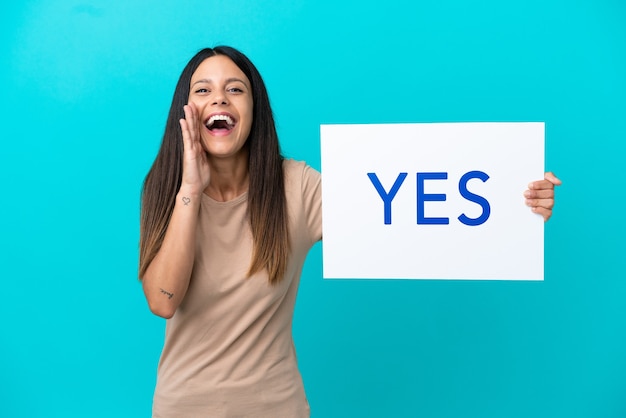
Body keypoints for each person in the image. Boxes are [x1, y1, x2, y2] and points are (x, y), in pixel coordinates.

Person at [138, 46, 561, 417]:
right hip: (184, 407)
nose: (220, 98)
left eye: (235, 88)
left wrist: (516, 203)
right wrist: (190, 190)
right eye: (203, 89)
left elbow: (405, 215)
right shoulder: (165, 186)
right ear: (187, 110)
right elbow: (163, 300)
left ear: (254, 108)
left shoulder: (296, 187)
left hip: (276, 407)